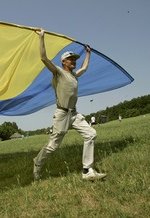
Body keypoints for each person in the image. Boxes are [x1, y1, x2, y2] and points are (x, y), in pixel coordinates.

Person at [33, 28, 106, 181]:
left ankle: (87, 170)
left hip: (74, 113)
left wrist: (88, 53)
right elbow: (44, 58)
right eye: (71, 59)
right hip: (62, 114)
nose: (74, 61)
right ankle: (37, 163)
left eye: (75, 59)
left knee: (91, 134)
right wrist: (41, 37)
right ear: (63, 62)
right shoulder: (58, 73)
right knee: (53, 146)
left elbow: (84, 68)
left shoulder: (74, 75)